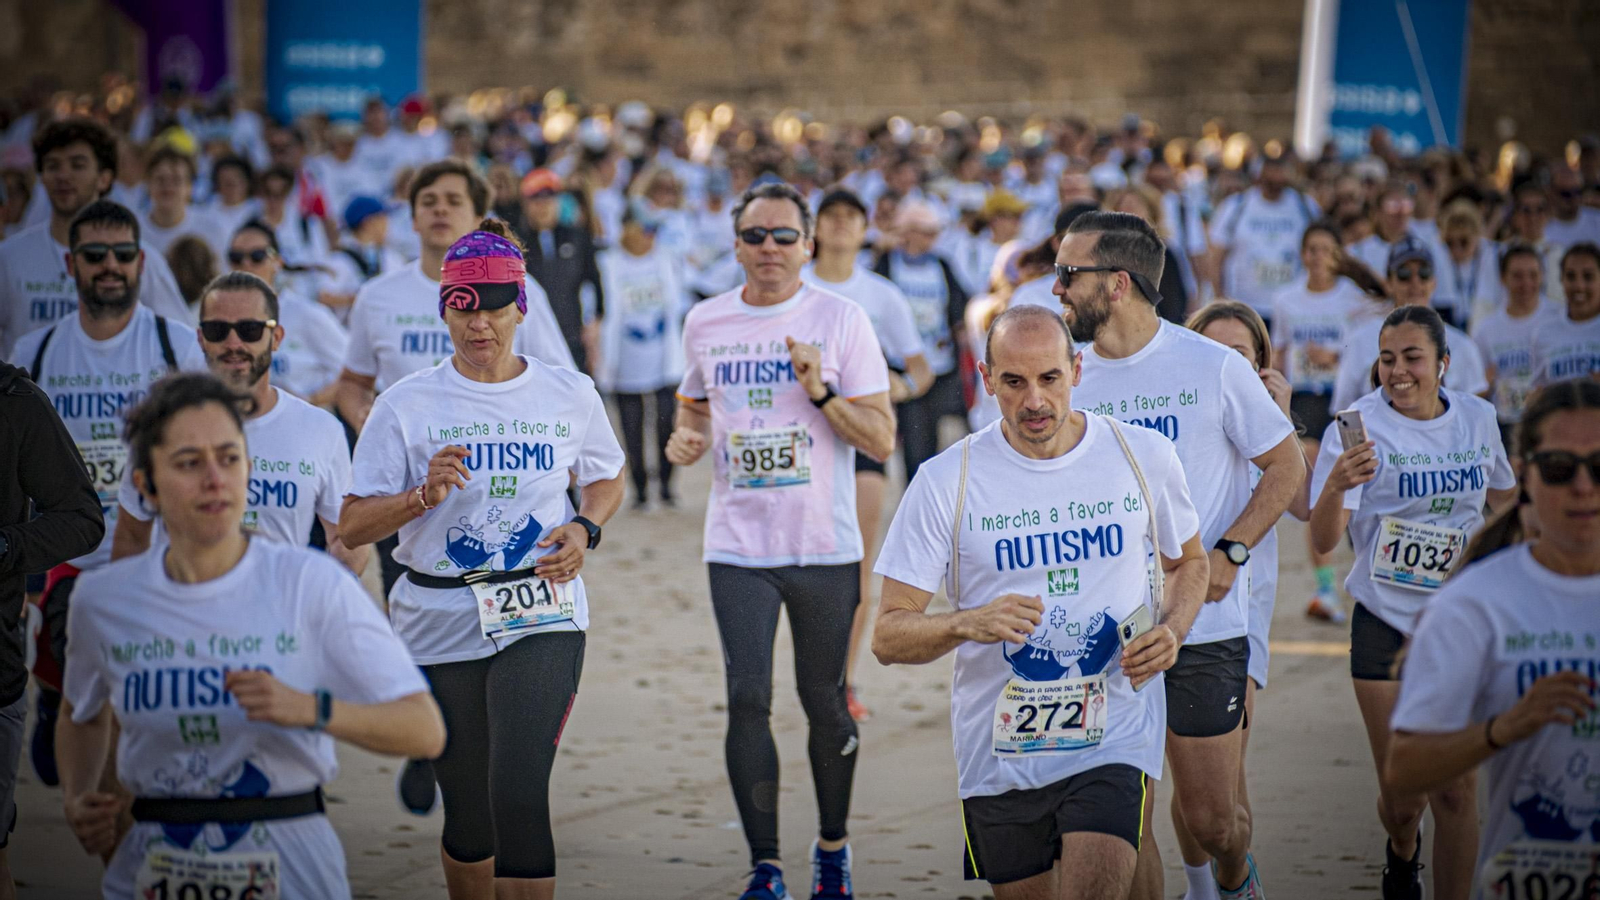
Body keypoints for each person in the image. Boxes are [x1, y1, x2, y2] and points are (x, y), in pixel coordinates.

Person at [57, 372, 444, 900]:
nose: (216, 479)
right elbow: (80, 713)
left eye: (230, 458)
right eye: (190, 463)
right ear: (145, 485)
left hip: (290, 857)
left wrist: (312, 709)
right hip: (151, 862)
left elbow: (423, 730)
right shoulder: (103, 601)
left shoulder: (312, 584)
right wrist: (79, 797)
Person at [870, 304, 1209, 900]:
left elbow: (1188, 562)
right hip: (999, 752)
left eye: (1050, 378)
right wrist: (968, 622)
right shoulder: (947, 479)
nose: (1034, 401)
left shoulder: (1141, 456)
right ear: (985, 377)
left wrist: (1174, 629)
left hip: (1112, 731)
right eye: (1014, 382)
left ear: (1077, 370)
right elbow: (888, 636)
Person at [341, 222, 625, 899]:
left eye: (497, 308)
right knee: (469, 810)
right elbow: (353, 524)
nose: (481, 325)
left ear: (520, 308)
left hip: (540, 605)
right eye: (465, 308)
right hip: (436, 610)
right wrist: (420, 497)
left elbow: (607, 477)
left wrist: (585, 528)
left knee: (519, 789)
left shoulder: (568, 392)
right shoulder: (405, 404)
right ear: (445, 310)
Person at [1057, 211, 1305, 899]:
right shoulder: (1068, 377)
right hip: (1106, 636)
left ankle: (1233, 878)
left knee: (1212, 820)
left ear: (1117, 284)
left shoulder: (1213, 367)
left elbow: (1286, 467)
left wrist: (1230, 551)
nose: (1056, 289)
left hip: (1203, 626)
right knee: (1122, 823)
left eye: (1068, 274)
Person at [665, 181, 896, 900]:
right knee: (746, 699)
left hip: (825, 547)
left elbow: (882, 436)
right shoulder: (706, 321)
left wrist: (820, 391)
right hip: (737, 546)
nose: (770, 248)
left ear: (809, 244)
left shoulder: (841, 318)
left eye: (784, 236)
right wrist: (688, 435)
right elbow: (693, 400)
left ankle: (832, 848)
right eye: (756, 235)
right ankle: (765, 867)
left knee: (824, 703)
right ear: (735, 244)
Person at [1309, 305, 1519, 899]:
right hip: (1384, 621)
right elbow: (1322, 542)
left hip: (1461, 624)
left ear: (1443, 365)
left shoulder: (1477, 419)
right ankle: (1403, 852)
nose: (1397, 372)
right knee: (1405, 800)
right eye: (1387, 358)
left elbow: (1508, 502)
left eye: (1412, 358)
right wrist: (1336, 485)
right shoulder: (1356, 426)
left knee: (1456, 790)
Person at [10, 200, 209, 788]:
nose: (110, 266)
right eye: (95, 255)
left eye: (122, 255)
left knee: (141, 695)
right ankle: (60, 699)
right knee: (76, 664)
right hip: (65, 554)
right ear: (70, 264)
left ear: (141, 262)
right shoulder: (33, 354)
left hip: (153, 552)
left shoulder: (178, 346)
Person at [1385, 379, 1600, 900]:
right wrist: (1504, 728)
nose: (1583, 487)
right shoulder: (1473, 604)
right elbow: (1403, 772)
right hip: (1527, 872)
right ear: (1524, 476)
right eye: (1558, 469)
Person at [1180, 301, 1310, 900]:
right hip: (1169, 610)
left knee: (1221, 788)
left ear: (1260, 363)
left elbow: (1303, 504)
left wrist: (1278, 416)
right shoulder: (1181, 419)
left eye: (1240, 355)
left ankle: (1236, 881)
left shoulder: (1267, 427)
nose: (1225, 365)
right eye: (1212, 353)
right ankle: (1201, 889)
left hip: (1241, 617)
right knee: (1176, 783)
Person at [110, 270, 365, 572]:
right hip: (185, 610)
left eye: (250, 330)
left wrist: (315, 595)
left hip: (276, 613)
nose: (234, 343)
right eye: (218, 330)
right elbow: (131, 534)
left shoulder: (322, 429)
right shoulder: (164, 424)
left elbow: (347, 540)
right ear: (201, 338)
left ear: (276, 338)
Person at [802, 186, 934, 724]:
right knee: (794, 564)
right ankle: (808, 672)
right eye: (828, 217)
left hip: (863, 438)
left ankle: (843, 680)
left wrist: (890, 391)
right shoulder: (794, 287)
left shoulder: (881, 294)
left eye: (849, 217)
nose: (838, 226)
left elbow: (922, 369)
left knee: (855, 566)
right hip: (802, 440)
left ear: (865, 230)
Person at [0, 357, 105, 895]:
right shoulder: (36, 357)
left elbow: (82, 518)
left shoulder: (14, 399)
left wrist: (7, 549)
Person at [1269, 220, 1385, 623]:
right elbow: (1280, 352)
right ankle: (1324, 590)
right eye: (1311, 249)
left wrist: (1335, 357)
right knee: (1318, 486)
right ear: (1301, 254)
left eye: (1325, 249)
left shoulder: (1353, 299)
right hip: (1305, 399)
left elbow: (1369, 341)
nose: (1317, 257)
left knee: (1356, 488)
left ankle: (1365, 572)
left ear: (1337, 255)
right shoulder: (1286, 300)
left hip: (1346, 402)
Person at [0, 119, 191, 357]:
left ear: (104, 178)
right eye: (52, 166)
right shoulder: (9, 257)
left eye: (77, 165)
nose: (63, 175)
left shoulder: (138, 258)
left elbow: (180, 342)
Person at [595, 199, 687, 509]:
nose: (650, 236)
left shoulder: (666, 259)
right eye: (645, 229)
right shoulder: (609, 263)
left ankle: (666, 484)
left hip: (663, 359)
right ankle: (641, 489)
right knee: (631, 428)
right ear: (627, 229)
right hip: (625, 362)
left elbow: (679, 305)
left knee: (665, 424)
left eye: (654, 229)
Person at [1331, 237, 1491, 413]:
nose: (1415, 282)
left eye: (1424, 273)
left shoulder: (1463, 345)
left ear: (1434, 282)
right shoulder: (1360, 340)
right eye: (1404, 274)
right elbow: (1344, 411)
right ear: (1389, 283)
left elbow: (1476, 415)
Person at [874, 200, 970, 481]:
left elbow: (958, 307)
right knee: (915, 445)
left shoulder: (941, 264)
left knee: (942, 441)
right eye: (926, 233)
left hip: (940, 368)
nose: (932, 239)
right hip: (903, 368)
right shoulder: (887, 264)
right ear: (909, 232)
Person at [1211, 154, 1321, 326]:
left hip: (1292, 305)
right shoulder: (1236, 206)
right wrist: (1219, 296)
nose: (1275, 181)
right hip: (1245, 306)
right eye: (1270, 175)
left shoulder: (1305, 205)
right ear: (1259, 177)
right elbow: (1217, 254)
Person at [1473, 243, 1563, 449]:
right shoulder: (1486, 330)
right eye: (1518, 276)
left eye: (1533, 275)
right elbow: (1477, 387)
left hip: (1551, 419)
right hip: (1506, 428)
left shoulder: (1559, 318)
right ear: (1503, 279)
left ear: (1543, 276)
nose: (1526, 283)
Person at [517, 168, 605, 373]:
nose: (543, 206)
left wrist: (594, 324)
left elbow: (594, 282)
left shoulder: (577, 237)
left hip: (572, 334)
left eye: (549, 198)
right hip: (531, 339)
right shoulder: (515, 242)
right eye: (536, 199)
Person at [139, 146, 227, 265]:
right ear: (148, 184)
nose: (168, 187)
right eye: (160, 179)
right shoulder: (135, 230)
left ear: (190, 187)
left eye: (176, 180)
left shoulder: (212, 230)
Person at [1529, 243, 1600, 387]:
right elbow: (1537, 394)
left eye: (1588, 277)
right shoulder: (1544, 333)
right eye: (1571, 276)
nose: (1579, 286)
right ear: (1561, 280)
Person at [1432, 200, 1502, 329]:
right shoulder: (1439, 256)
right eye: (1449, 242)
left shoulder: (1496, 257)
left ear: (1477, 236)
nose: (1456, 249)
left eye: (1464, 242)